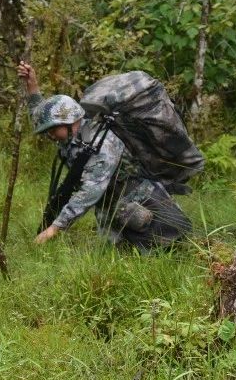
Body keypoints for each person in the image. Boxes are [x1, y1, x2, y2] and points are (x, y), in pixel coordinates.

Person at [18, 60, 193, 250]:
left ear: (70, 121)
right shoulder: (73, 136)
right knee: (112, 253)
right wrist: (32, 87)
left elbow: (90, 190)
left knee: (166, 245)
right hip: (109, 203)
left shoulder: (101, 144)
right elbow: (40, 115)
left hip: (139, 198)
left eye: (53, 129)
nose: (50, 135)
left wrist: (55, 228)